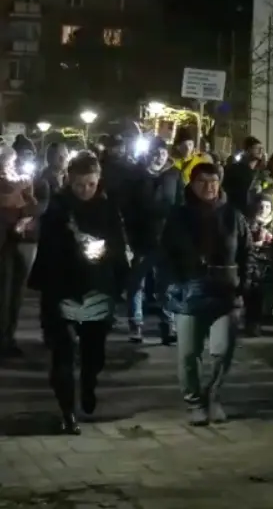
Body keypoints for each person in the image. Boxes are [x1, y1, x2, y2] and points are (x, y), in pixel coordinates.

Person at [26, 153, 129, 433]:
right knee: (62, 353)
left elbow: (119, 248)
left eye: (91, 184)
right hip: (62, 291)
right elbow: (46, 251)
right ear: (69, 181)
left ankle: (89, 383)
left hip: (98, 289)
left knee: (93, 352)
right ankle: (67, 411)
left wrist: (116, 274)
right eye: (79, 185)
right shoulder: (57, 210)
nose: (85, 190)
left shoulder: (108, 209)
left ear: (98, 181)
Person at [160, 162, 250, 426]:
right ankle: (194, 401)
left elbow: (247, 252)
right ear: (191, 183)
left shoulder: (233, 215)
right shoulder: (179, 215)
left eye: (213, 181)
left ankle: (213, 395)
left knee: (222, 350)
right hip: (189, 290)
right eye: (202, 181)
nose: (209, 187)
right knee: (189, 353)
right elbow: (165, 254)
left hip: (226, 290)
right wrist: (171, 284)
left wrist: (244, 283)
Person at [126, 137, 182, 344]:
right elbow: (128, 208)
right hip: (141, 237)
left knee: (167, 286)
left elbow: (180, 204)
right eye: (155, 152)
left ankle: (168, 326)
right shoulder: (136, 176)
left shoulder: (174, 175)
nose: (159, 156)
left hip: (167, 237)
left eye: (163, 152)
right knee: (136, 284)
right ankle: (136, 324)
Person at [0, 148, 37, 358]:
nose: (11, 167)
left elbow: (32, 205)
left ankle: (8, 336)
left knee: (15, 293)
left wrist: (27, 195)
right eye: (8, 163)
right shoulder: (8, 183)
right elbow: (7, 199)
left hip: (16, 244)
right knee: (4, 294)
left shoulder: (18, 182)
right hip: (4, 245)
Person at [244, 197, 273, 334]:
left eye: (267, 206)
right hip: (254, 261)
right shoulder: (249, 223)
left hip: (271, 262)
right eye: (261, 206)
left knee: (268, 292)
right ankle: (252, 323)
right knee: (253, 293)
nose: (264, 209)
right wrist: (256, 244)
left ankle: (266, 315)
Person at [222, 136, 265, 216]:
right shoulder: (234, 169)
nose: (260, 151)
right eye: (257, 148)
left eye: (262, 148)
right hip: (238, 211)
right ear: (248, 150)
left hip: (256, 212)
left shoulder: (261, 172)